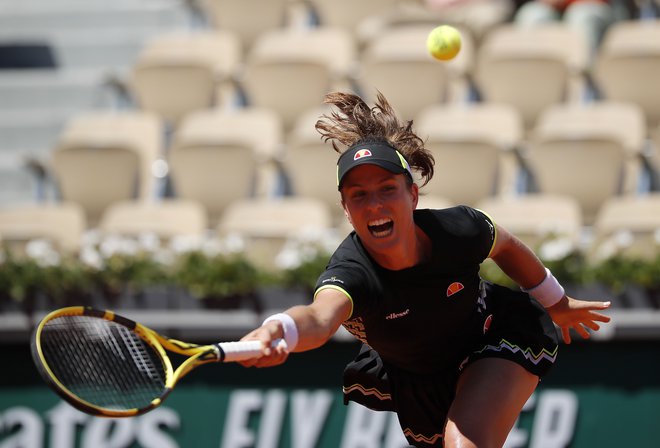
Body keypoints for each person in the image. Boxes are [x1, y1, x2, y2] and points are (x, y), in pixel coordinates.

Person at [238, 91, 611, 447]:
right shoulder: (351, 271)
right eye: (359, 196)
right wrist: (281, 328)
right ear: (346, 209)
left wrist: (555, 301)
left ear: (412, 195)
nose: (375, 205)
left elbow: (506, 247)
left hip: (494, 335)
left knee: (464, 443)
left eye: (387, 189)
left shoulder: (459, 228)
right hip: (420, 376)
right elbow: (319, 319)